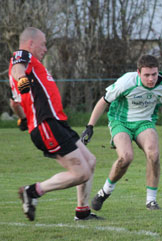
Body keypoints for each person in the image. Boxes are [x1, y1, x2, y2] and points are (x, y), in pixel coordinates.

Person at [9, 27, 99, 221]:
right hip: (46, 124)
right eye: (44, 44)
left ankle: (82, 212)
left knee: (90, 162)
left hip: (56, 123)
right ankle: (32, 191)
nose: (46, 48)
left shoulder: (34, 67)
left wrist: (23, 118)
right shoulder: (22, 56)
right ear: (31, 43)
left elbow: (14, 102)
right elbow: (18, 70)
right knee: (81, 172)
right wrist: (22, 78)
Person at [81, 55, 162, 211]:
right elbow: (104, 101)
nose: (151, 79)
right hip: (120, 122)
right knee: (126, 157)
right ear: (138, 72)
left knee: (153, 154)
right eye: (147, 75)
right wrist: (90, 126)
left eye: (154, 74)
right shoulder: (127, 82)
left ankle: (151, 201)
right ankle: (105, 192)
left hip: (145, 122)